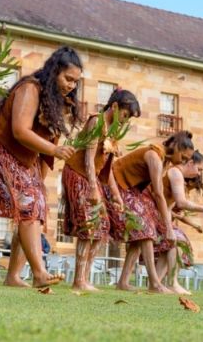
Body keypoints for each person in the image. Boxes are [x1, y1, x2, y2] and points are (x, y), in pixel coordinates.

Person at [0, 46, 82, 288]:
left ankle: (13, 276)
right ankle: (39, 273)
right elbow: (20, 130)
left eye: (76, 82)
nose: (71, 86)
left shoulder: (54, 109)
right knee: (29, 204)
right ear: (54, 72)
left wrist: (39, 186)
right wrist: (54, 150)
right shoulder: (30, 88)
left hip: (22, 158)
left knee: (36, 206)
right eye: (68, 79)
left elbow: (41, 157)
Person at [61, 89, 141, 291]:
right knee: (89, 224)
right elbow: (88, 159)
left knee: (102, 226)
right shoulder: (96, 122)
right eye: (125, 115)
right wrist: (92, 188)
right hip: (78, 173)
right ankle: (79, 280)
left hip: (91, 178)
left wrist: (115, 195)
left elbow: (106, 168)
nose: (125, 120)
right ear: (114, 107)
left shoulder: (112, 131)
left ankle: (85, 278)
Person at [106, 131, 196, 293]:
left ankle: (123, 282)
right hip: (117, 186)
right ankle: (154, 283)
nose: (182, 163)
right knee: (145, 230)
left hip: (130, 190)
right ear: (176, 148)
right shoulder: (154, 156)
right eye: (183, 158)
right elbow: (158, 193)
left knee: (139, 236)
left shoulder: (163, 159)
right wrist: (168, 227)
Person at [151, 150, 203, 294]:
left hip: (160, 215)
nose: (199, 174)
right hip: (152, 212)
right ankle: (171, 283)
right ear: (190, 163)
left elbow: (169, 206)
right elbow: (181, 203)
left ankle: (156, 283)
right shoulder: (176, 173)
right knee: (177, 243)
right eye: (199, 169)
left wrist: (168, 224)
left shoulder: (178, 175)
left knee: (172, 245)